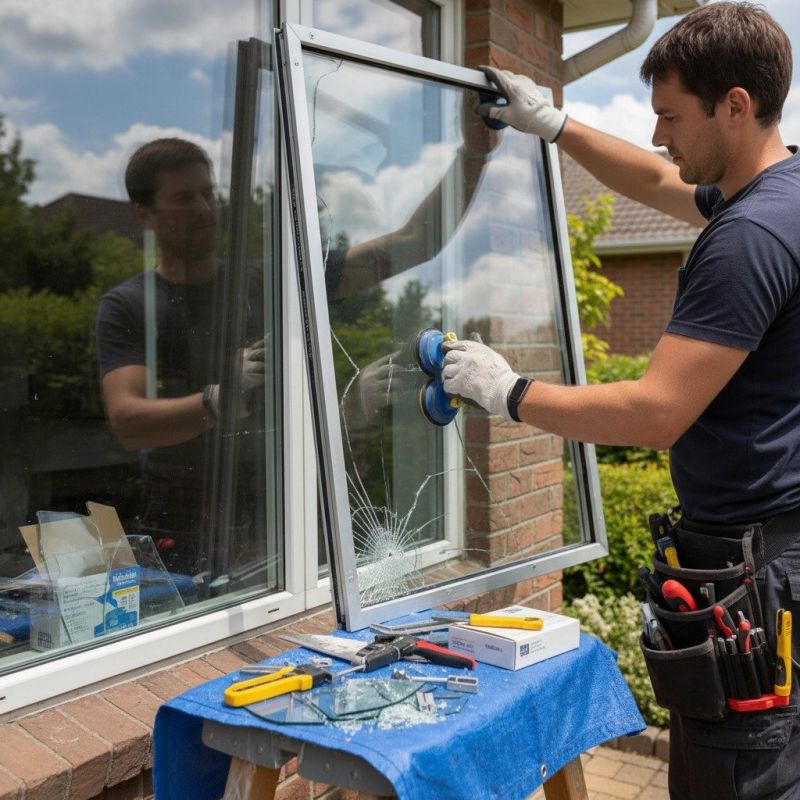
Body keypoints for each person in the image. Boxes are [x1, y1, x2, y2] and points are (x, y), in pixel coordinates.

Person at [441, 4, 800, 798]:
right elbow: (654, 179)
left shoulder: (750, 238)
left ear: (735, 106)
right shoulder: (783, 191)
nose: (661, 137)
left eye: (671, 117)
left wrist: (508, 391)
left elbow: (654, 412)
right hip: (782, 550)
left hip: (757, 570)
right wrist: (554, 123)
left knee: (738, 777)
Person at [95, 138, 267, 578]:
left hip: (271, 517)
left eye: (208, 193)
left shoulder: (262, 285)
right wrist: (218, 399)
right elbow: (127, 421)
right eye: (183, 198)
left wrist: (470, 153)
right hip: (177, 525)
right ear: (145, 215)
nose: (204, 209)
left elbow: (409, 243)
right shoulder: (131, 304)